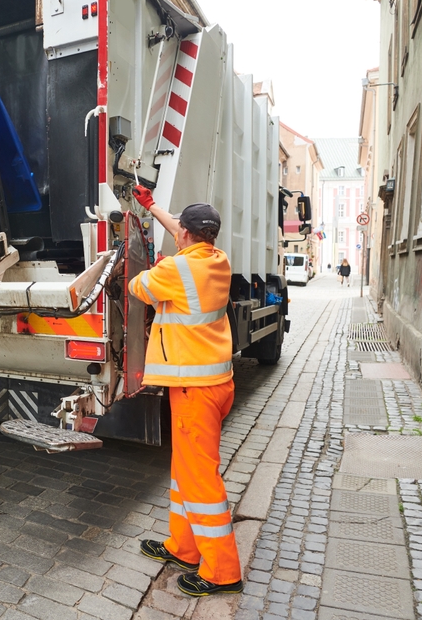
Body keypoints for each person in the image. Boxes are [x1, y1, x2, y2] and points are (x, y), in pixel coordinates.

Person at [128, 185, 243, 597]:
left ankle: (223, 572)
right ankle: (184, 547)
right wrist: (153, 207)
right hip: (212, 385)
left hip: (196, 389)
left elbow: (137, 287)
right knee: (184, 473)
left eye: (180, 229)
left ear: (186, 236)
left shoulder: (175, 270)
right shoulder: (217, 260)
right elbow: (182, 231)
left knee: (201, 482)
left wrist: (155, 265)